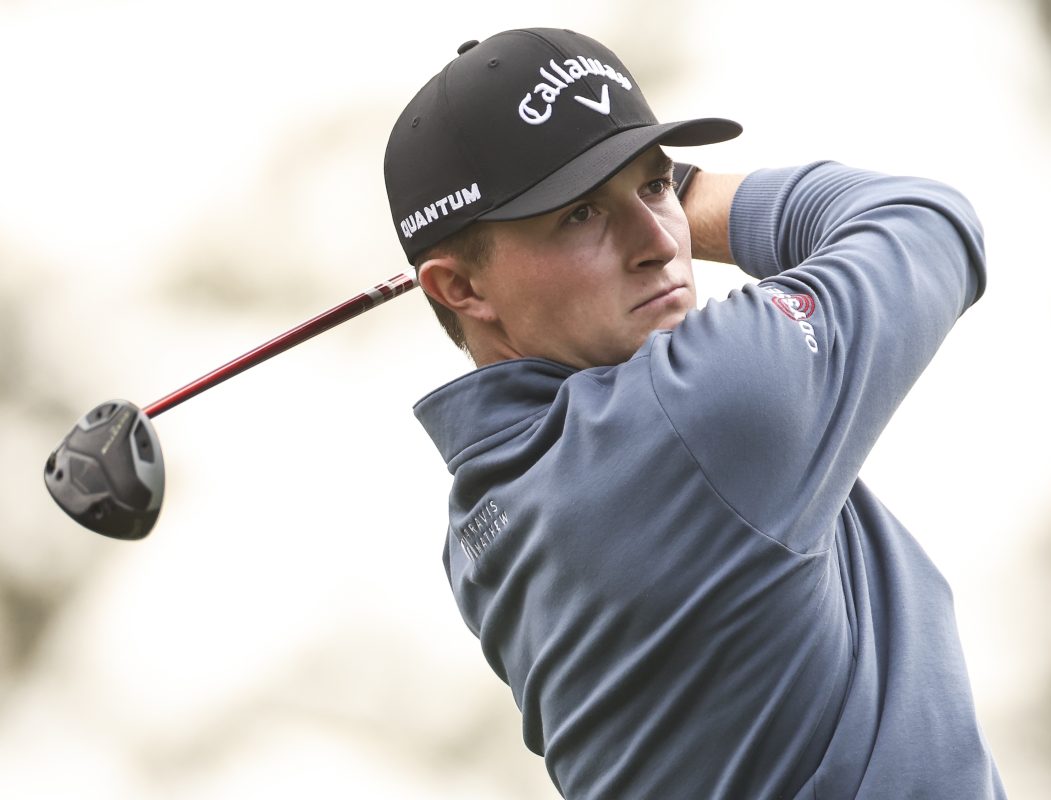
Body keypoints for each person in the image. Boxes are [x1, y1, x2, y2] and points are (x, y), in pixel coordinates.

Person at [384, 27, 1006, 799]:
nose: (657, 242)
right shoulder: (701, 409)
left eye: (651, 186)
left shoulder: (478, 525)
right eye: (579, 214)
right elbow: (925, 221)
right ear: (462, 289)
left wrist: (608, 191)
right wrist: (690, 193)